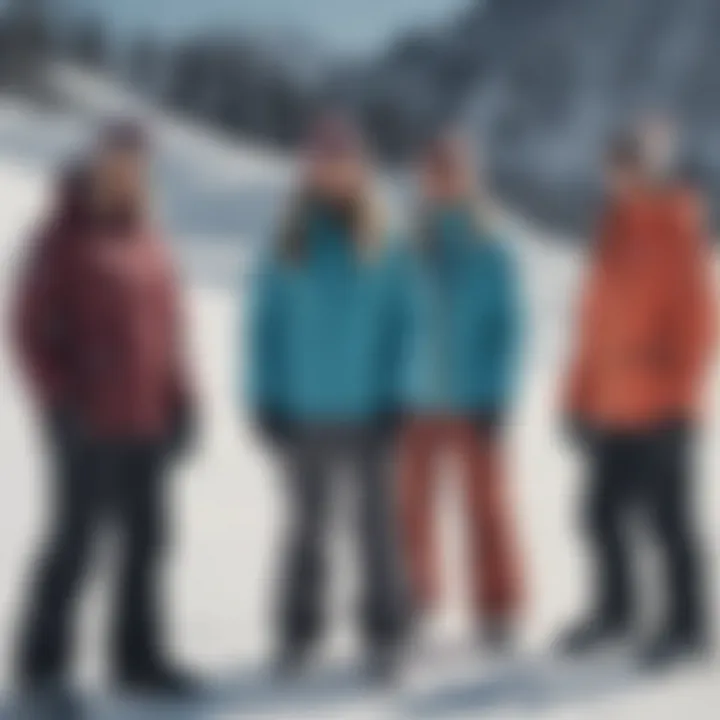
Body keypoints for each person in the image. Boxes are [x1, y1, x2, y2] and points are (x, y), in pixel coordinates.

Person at [12, 123, 198, 696]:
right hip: (86, 422)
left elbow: (171, 331)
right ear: (96, 163)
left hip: (147, 420)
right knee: (75, 543)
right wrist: (59, 401)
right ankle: (43, 672)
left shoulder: (150, 238)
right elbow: (26, 329)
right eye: (116, 160)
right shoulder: (60, 236)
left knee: (149, 541)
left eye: (136, 163)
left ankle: (137, 658)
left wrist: (183, 400)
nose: (126, 171)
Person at [246, 114, 405, 680]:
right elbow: (264, 327)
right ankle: (297, 632)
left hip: (369, 412)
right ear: (309, 171)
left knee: (377, 532)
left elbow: (401, 325)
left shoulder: (383, 238)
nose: (334, 172)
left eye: (344, 162)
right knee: (305, 529)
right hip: (304, 411)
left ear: (359, 170)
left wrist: (398, 397)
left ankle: (384, 635)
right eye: (323, 162)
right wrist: (265, 399)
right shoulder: (287, 238)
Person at [561, 126, 717, 668]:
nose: (622, 176)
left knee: (668, 520)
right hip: (611, 407)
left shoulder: (676, 227)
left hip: (663, 410)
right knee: (599, 514)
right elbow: (591, 329)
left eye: (632, 164)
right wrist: (575, 400)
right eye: (615, 165)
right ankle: (616, 613)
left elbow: (700, 327)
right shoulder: (611, 230)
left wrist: (674, 398)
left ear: (652, 169)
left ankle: (688, 626)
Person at [395, 131, 523, 650]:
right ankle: (414, 598)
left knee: (486, 508)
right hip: (415, 399)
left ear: (468, 178)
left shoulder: (490, 246)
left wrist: (496, 393)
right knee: (412, 509)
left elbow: (508, 327)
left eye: (452, 169)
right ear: (423, 179)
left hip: (473, 401)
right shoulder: (405, 245)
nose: (443, 179)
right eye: (435, 170)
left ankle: (497, 607)